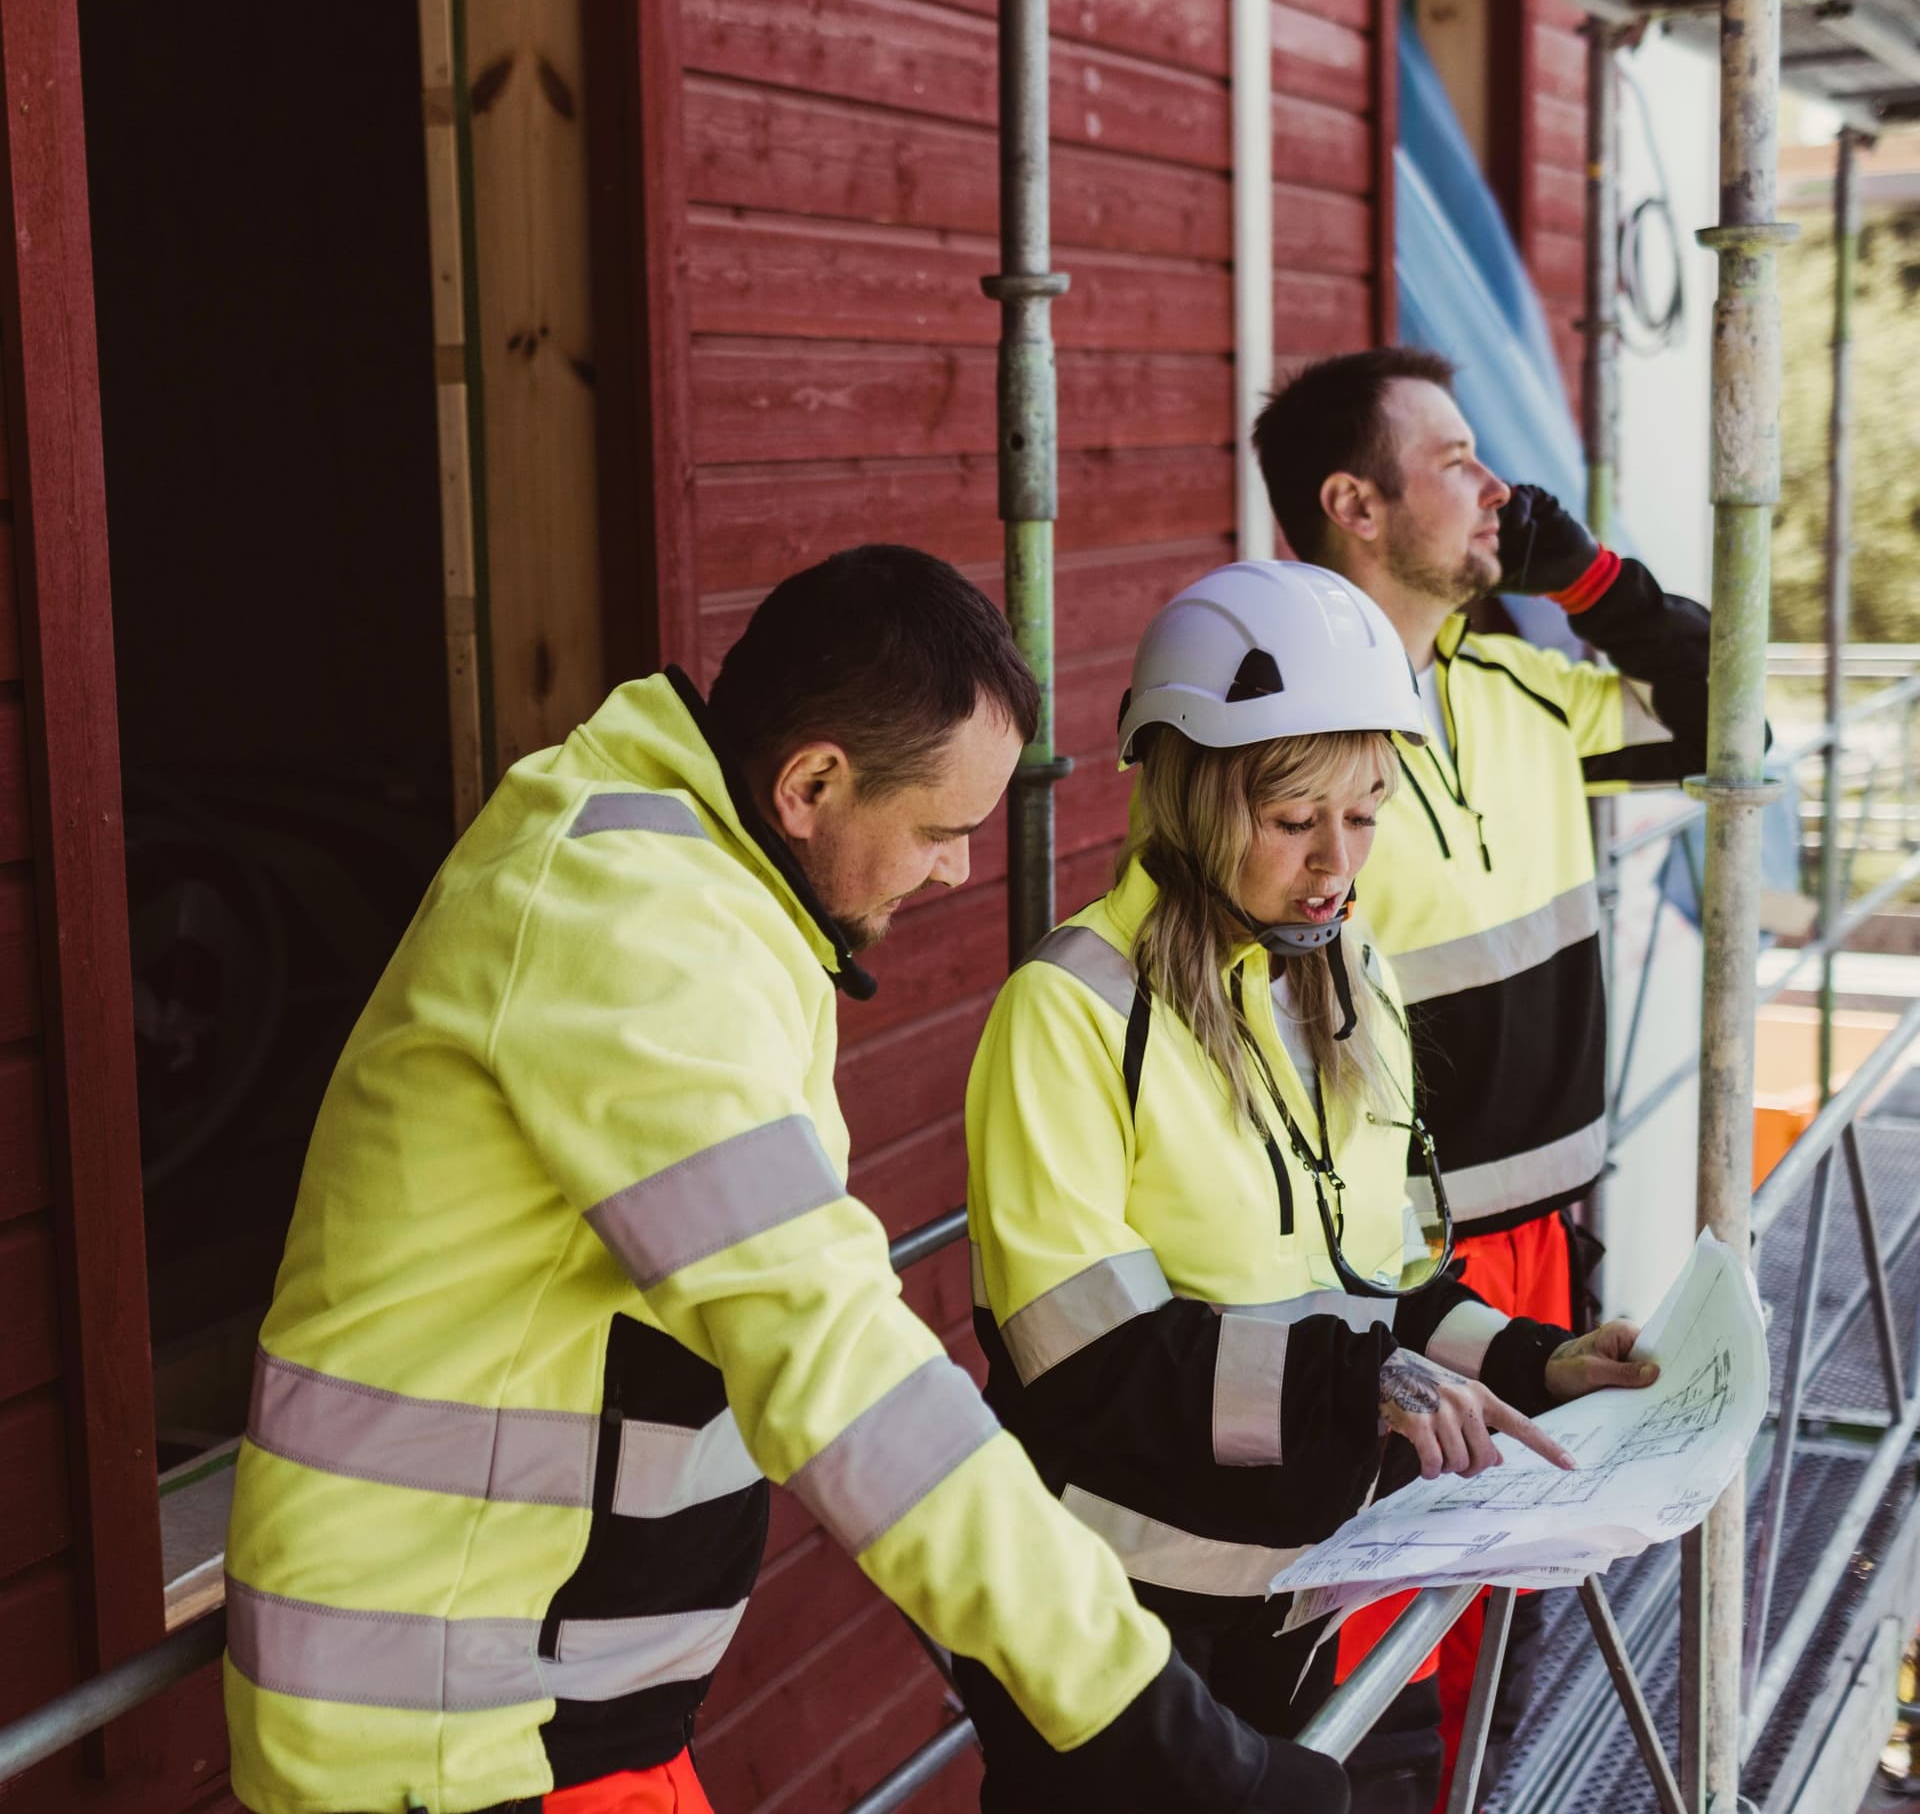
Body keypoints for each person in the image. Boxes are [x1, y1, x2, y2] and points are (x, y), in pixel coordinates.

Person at [221, 546, 1361, 1814]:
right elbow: (834, 1360)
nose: (957, 872)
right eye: (938, 831)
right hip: (448, 1743)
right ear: (813, 781)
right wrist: (1147, 1722)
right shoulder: (633, 934)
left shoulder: (703, 896)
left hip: (538, 1708)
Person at [954, 558, 1658, 1813]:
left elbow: (1375, 1277)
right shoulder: (1064, 1013)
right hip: (1113, 1617)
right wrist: (1362, 1386)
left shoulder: (1343, 973)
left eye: (1369, 813)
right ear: (1186, 796)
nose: (1338, 864)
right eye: (1294, 821)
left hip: (1296, 1580)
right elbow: (1089, 1364)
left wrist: (1530, 1361)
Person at [1251, 349, 1714, 1810]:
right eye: (1454, 457)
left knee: (1491, 1649)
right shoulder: (1272, 739)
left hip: (1546, 1250)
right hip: (1386, 1279)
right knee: (1365, 1661)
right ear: (1354, 504)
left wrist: (1601, 589)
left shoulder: (1526, 686)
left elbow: (1738, 715)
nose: (1499, 488)